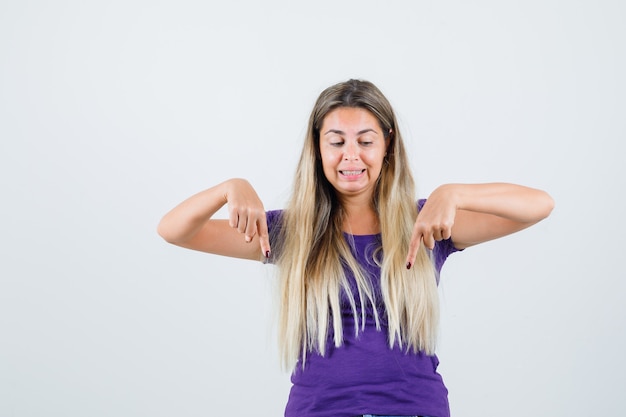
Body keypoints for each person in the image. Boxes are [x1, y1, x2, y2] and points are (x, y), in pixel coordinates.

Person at [157, 79, 554, 417]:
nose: (351, 156)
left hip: (415, 407)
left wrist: (454, 193)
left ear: (387, 146)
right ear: (318, 148)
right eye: (337, 141)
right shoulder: (290, 231)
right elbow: (174, 230)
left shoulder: (426, 225)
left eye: (365, 141)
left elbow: (538, 205)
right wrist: (230, 187)